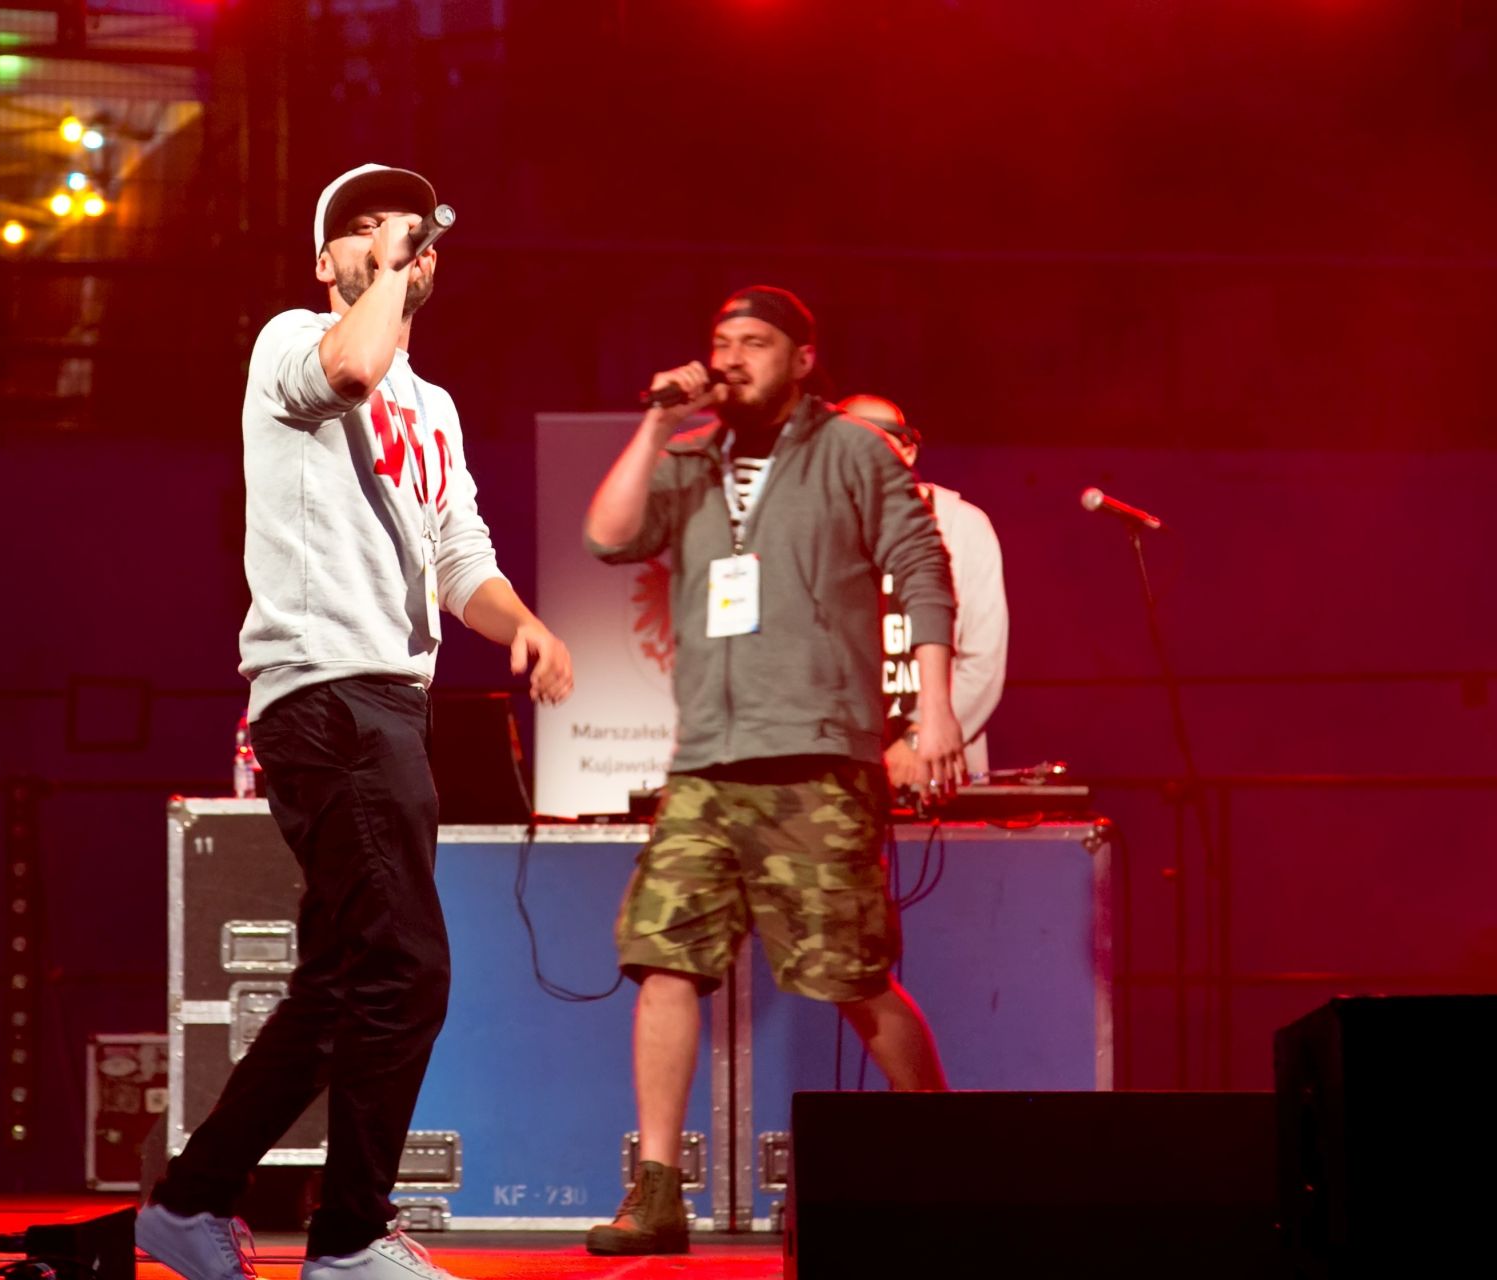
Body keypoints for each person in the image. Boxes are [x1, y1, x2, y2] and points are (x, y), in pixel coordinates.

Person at [136, 164, 573, 1280]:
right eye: (366, 232)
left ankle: (188, 1201)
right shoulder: (292, 341)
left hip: (391, 700)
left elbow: (458, 555)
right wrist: (381, 275)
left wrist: (522, 622)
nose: (394, 247)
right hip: (327, 692)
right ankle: (348, 1238)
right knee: (406, 968)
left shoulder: (437, 407)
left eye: (411, 236)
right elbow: (353, 365)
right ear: (326, 259)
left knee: (339, 986)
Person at [581, 286, 962, 1256]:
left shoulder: (852, 451)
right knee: (663, 955)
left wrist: (935, 706)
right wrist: (657, 418)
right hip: (709, 761)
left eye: (754, 341)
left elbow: (922, 568)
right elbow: (609, 534)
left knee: (852, 976)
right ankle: (657, 1195)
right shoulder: (690, 453)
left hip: (819, 756)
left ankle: (951, 1156)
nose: (732, 356)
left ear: (801, 357)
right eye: (721, 340)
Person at [838, 395, 1008, 789]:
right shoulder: (819, 531)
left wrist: (917, 738)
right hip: (845, 771)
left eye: (876, 442)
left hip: (939, 765)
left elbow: (982, 659)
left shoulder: (962, 527)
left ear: (908, 451)